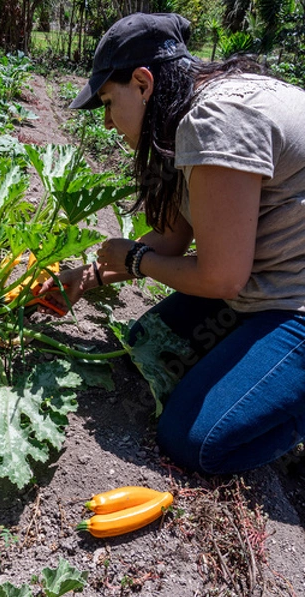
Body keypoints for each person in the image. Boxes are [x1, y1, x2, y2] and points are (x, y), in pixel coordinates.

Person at [39, 12, 305, 475]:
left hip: (293, 302)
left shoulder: (216, 122)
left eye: (107, 101)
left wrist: (136, 260)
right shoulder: (188, 110)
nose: (106, 121)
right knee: (147, 342)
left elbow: (221, 276)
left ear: (143, 83)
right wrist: (86, 277)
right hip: (271, 282)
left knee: (192, 441)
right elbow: (173, 238)